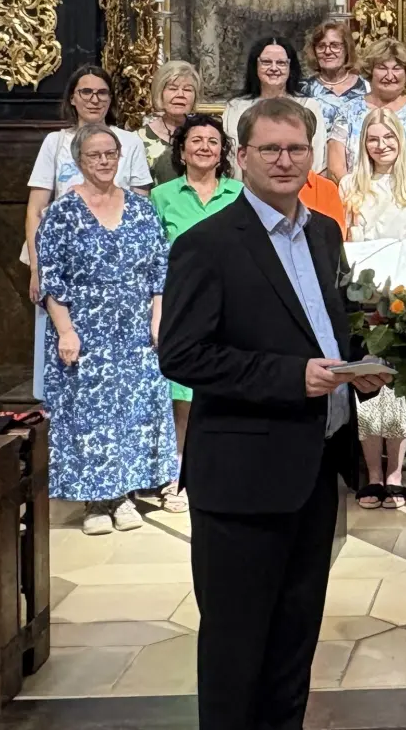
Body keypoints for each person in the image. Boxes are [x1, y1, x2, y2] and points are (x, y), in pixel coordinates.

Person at [159, 96, 387, 730]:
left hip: (314, 470)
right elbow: (182, 355)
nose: (284, 161)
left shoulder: (324, 232)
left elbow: (334, 328)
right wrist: (291, 378)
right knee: (237, 652)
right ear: (241, 157)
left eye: (296, 149)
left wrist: (363, 368)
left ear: (312, 156)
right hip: (241, 479)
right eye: (270, 149)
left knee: (293, 645)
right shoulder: (207, 244)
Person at [37, 123, 177, 534]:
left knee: (134, 413)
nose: (104, 161)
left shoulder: (141, 209)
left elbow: (159, 271)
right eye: (94, 155)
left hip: (135, 331)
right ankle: (95, 502)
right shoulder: (61, 213)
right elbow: (51, 279)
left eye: (110, 154)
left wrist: (158, 320)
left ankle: (125, 496)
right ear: (79, 161)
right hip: (84, 331)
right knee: (89, 416)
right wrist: (65, 331)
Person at [25, 66, 153, 401]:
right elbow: (36, 208)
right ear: (72, 98)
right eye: (86, 92)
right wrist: (38, 268)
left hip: (118, 269)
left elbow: (141, 206)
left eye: (102, 93)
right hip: (64, 264)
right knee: (66, 351)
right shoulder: (56, 142)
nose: (95, 99)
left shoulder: (129, 142)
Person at [341, 109, 406, 509]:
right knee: (367, 384)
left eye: (388, 138)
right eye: (373, 139)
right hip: (363, 295)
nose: (381, 146)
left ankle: (395, 473)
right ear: (364, 144)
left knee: (398, 387)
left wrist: (396, 289)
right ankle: (373, 475)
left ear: (401, 140)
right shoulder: (350, 184)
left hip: (405, 294)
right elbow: (353, 243)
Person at [149, 115, 243, 514]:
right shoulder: (161, 196)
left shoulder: (241, 193)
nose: (205, 147)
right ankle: (179, 477)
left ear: (223, 152)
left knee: (232, 388)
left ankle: (228, 473)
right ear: (182, 150)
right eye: (196, 140)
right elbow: (153, 258)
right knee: (183, 398)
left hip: (235, 306)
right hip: (182, 306)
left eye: (213, 141)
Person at [327, 37, 406, 181]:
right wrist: (354, 192)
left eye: (397, 68)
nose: (389, 76)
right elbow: (336, 167)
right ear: (370, 72)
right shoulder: (348, 111)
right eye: (382, 68)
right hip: (355, 192)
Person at [222, 36, 329, 173]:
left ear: (291, 67)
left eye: (281, 63)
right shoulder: (235, 108)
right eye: (266, 62)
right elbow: (228, 157)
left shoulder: (308, 106)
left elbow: (317, 159)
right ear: (255, 66)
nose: (274, 68)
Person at [139, 60, 200, 185]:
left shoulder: (205, 134)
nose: (180, 95)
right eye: (173, 88)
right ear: (160, 93)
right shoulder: (139, 139)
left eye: (187, 90)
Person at [300, 21, 368, 124]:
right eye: (321, 46)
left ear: (347, 49)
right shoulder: (303, 89)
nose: (327, 51)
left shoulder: (366, 87)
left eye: (335, 45)